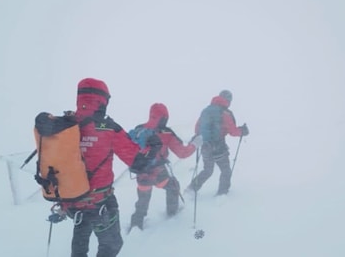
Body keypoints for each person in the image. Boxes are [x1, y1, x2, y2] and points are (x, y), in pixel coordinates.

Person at [58, 78, 162, 257]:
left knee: (80, 244)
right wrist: (153, 149)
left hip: (72, 201)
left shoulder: (65, 125)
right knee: (111, 246)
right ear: (102, 100)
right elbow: (138, 164)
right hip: (100, 203)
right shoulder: (108, 129)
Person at [129, 103, 203, 231]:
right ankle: (172, 214)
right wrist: (195, 144)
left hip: (141, 173)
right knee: (173, 186)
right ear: (164, 117)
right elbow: (182, 153)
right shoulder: (166, 133)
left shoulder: (139, 129)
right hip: (158, 172)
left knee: (142, 200)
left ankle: (136, 225)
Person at [185, 90, 249, 196]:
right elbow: (233, 131)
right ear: (228, 100)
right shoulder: (225, 113)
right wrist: (243, 131)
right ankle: (222, 193)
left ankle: (191, 189)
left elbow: (197, 129)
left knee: (208, 170)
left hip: (205, 146)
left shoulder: (206, 110)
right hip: (219, 146)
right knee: (226, 170)